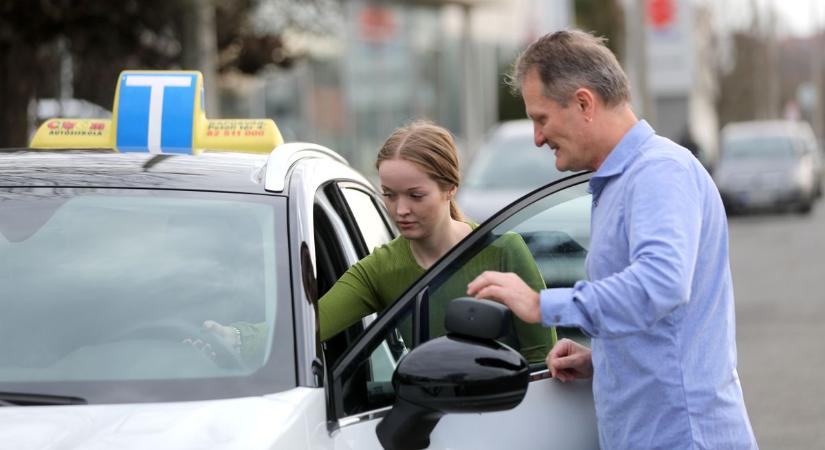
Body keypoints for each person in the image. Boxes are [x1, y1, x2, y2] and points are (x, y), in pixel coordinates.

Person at [466, 30, 758, 449]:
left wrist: (539, 304)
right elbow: (668, 329)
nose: (537, 137)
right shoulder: (623, 181)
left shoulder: (658, 173)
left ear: (584, 103)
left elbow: (661, 285)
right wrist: (604, 360)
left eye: (540, 118)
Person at [196, 120, 555, 364]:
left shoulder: (504, 251)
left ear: (450, 188)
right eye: (389, 194)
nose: (401, 210)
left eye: (416, 195)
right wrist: (238, 338)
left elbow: (544, 363)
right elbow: (312, 322)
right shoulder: (381, 268)